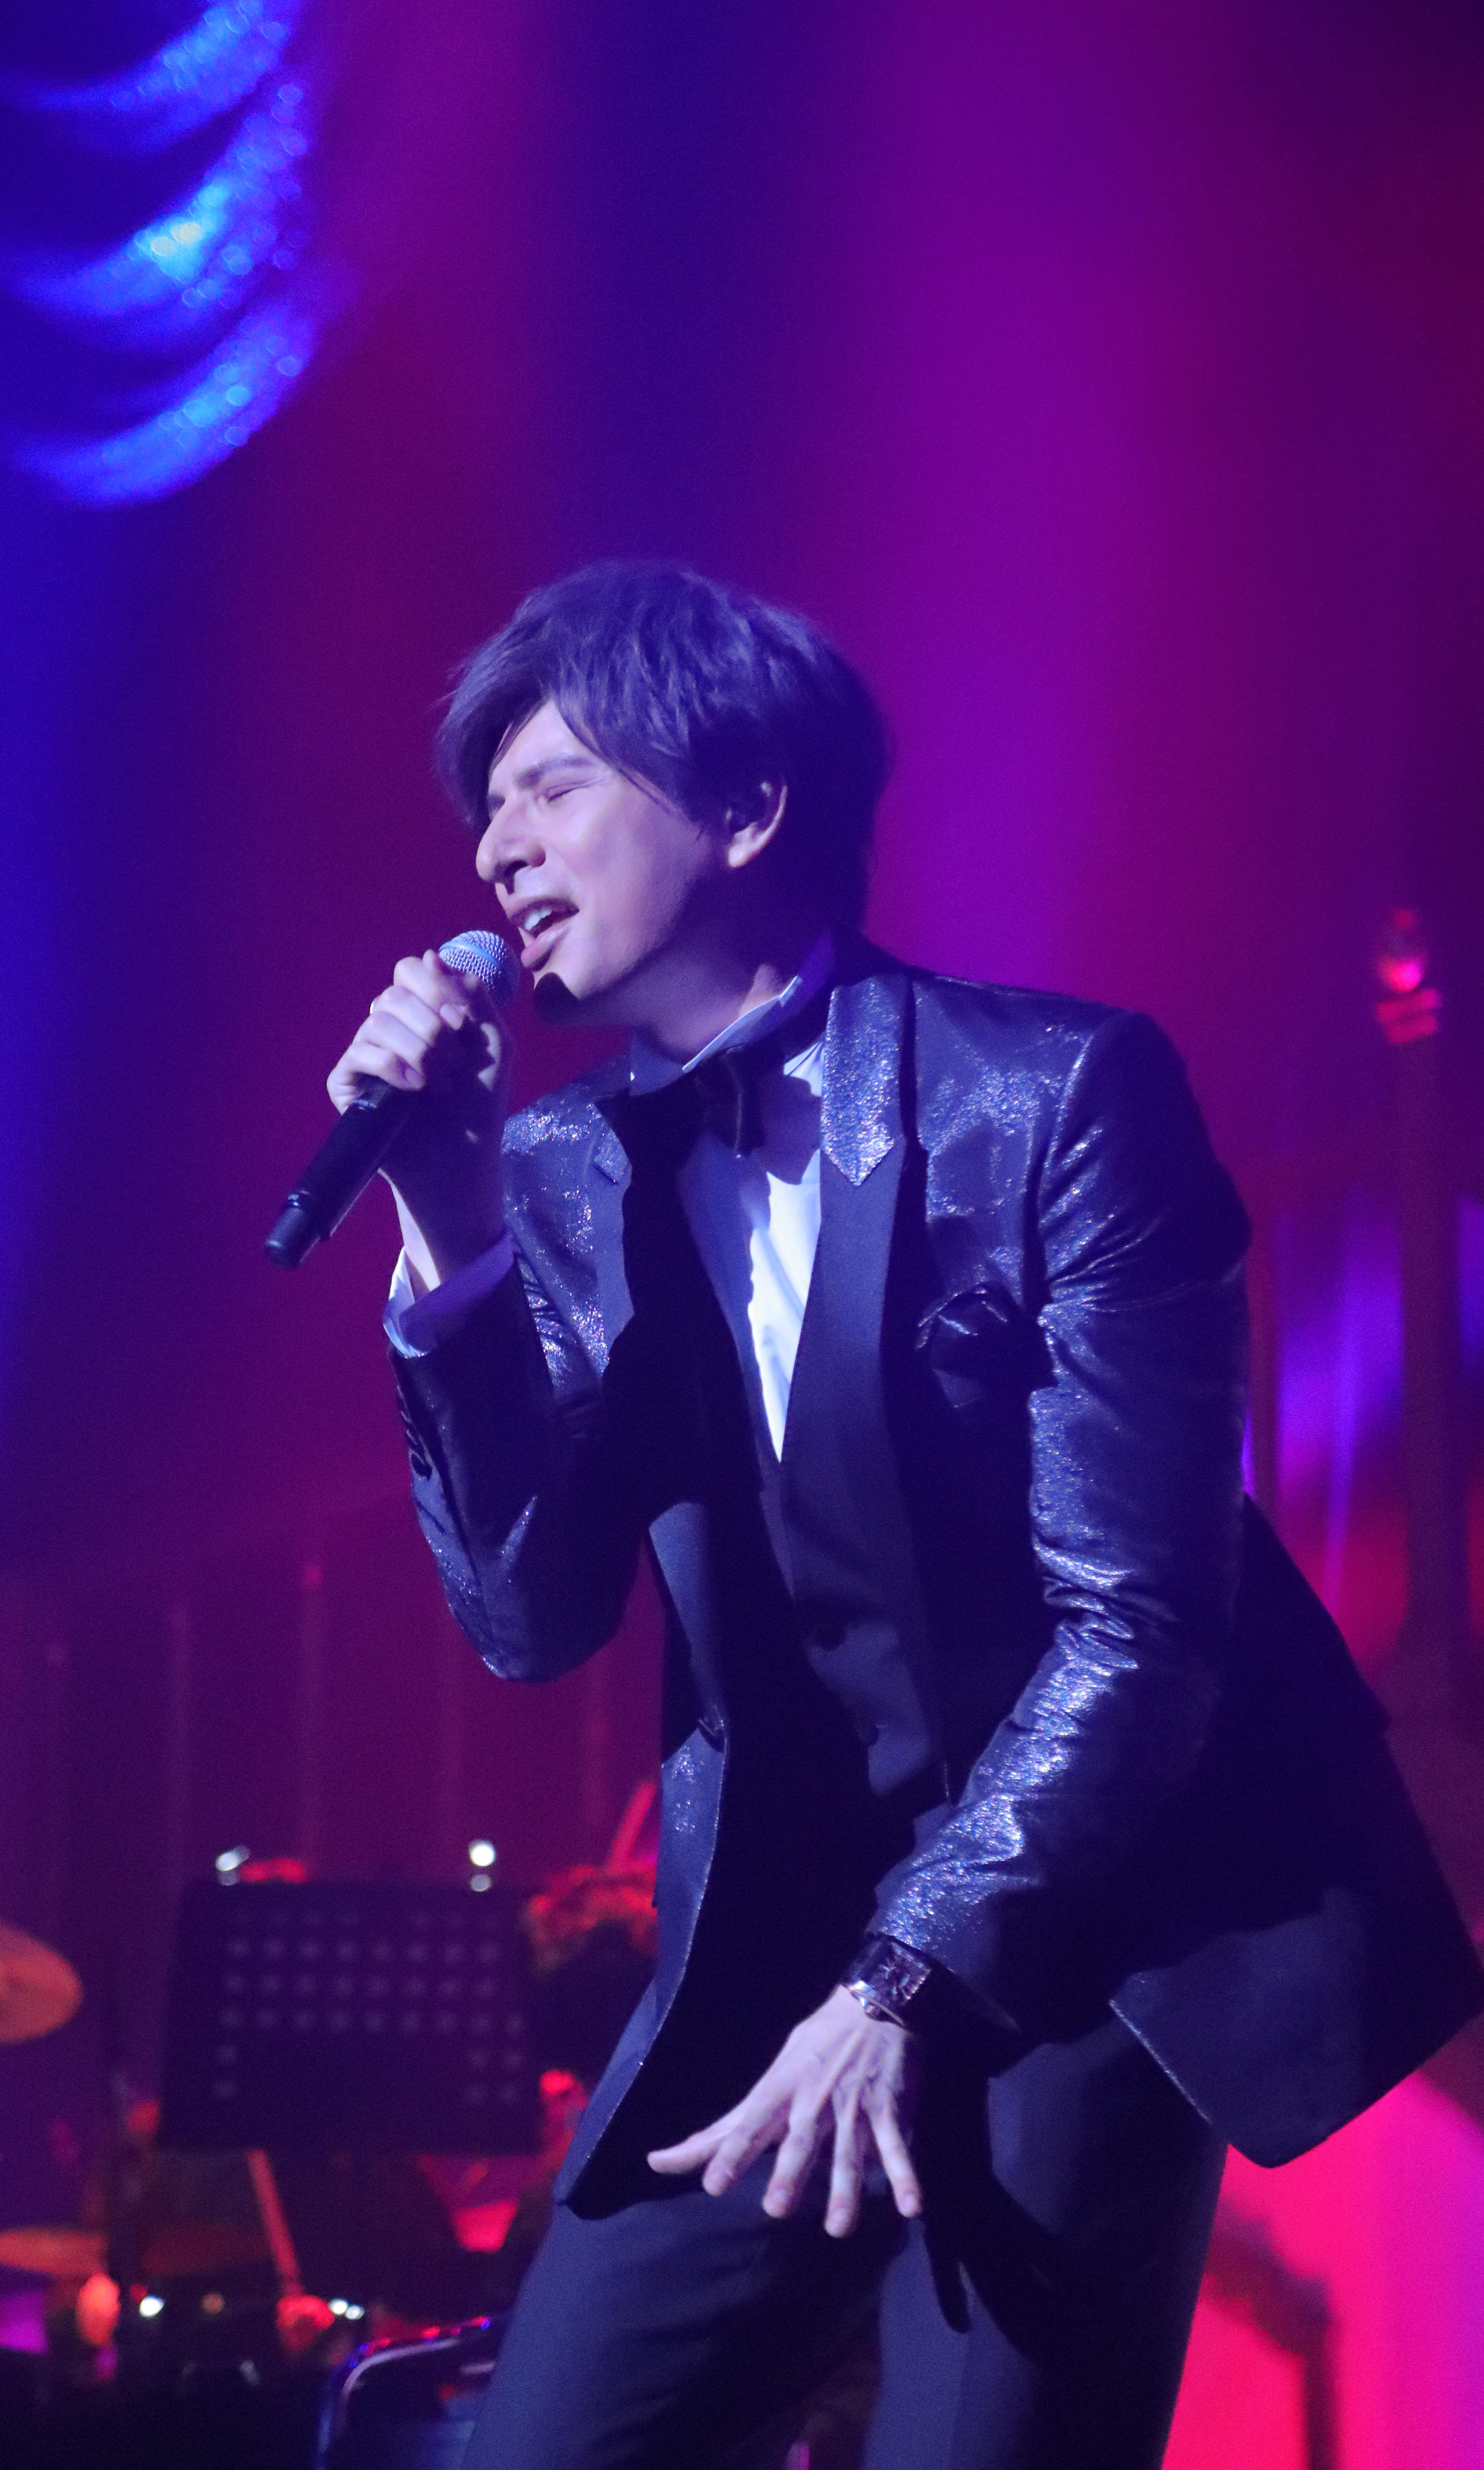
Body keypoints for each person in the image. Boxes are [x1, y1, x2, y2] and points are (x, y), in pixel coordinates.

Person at [326, 562, 1482, 2470]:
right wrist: (445, 1222)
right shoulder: (557, 1169)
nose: (495, 851)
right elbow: (531, 1619)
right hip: (779, 1935)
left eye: (551, 788)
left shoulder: (1055, 1098)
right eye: (486, 809)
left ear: (746, 805)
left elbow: (1143, 1627)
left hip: (1095, 1924)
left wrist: (913, 1978)